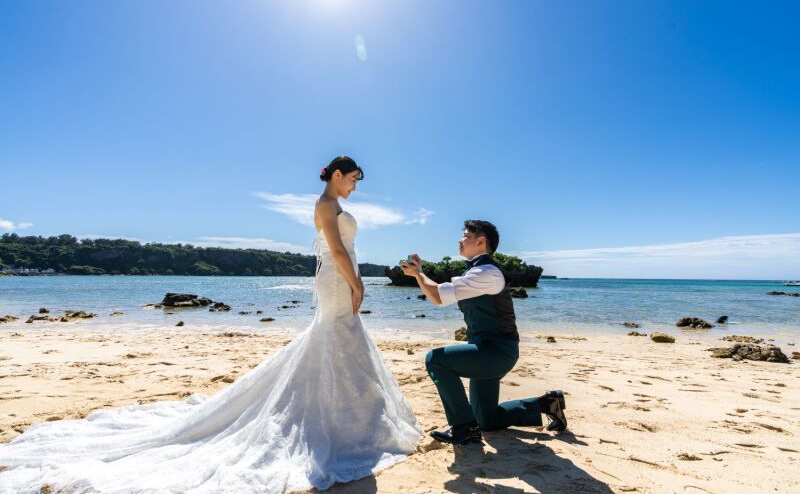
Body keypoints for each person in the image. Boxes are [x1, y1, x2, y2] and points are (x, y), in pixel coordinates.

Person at [0, 155, 422, 493]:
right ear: (334, 174)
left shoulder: (340, 205)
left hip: (339, 276)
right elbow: (335, 248)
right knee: (333, 337)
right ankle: (337, 422)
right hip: (334, 278)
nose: (354, 186)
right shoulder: (324, 204)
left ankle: (349, 419)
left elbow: (346, 245)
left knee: (336, 342)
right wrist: (357, 282)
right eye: (352, 178)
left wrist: (357, 278)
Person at [400, 219, 567, 445]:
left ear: (481, 241)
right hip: (486, 350)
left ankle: (463, 428)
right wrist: (420, 273)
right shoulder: (477, 272)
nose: (460, 240)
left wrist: (419, 274)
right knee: (486, 420)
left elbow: (438, 296)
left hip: (496, 352)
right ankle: (546, 404)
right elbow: (440, 292)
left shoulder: (487, 273)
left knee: (435, 360)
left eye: (466, 236)